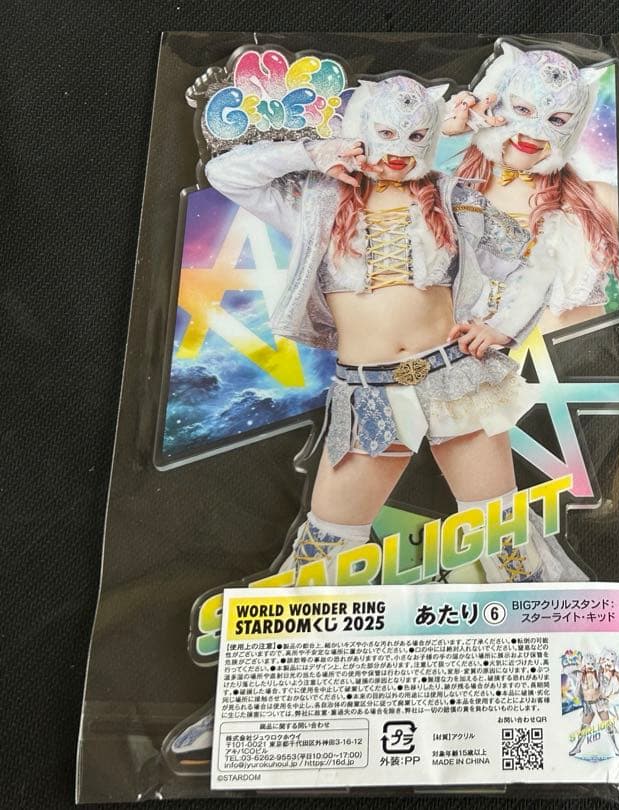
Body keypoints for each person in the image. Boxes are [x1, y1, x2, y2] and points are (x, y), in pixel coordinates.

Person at [163, 75, 587, 770]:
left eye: (414, 135)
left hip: (452, 377)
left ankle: (584, 691)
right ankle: (252, 706)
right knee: (325, 553)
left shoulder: (452, 194)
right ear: (359, 131)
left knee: (506, 540)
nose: (398, 149)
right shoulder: (315, 197)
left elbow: (535, 259)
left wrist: (503, 327)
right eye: (384, 133)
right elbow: (225, 172)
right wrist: (314, 150)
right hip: (369, 392)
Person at [442, 45, 619, 333]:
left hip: (583, 359)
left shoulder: (598, 201)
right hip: (484, 360)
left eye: (557, 120)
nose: (534, 132)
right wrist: (440, 128)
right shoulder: (449, 200)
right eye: (522, 109)